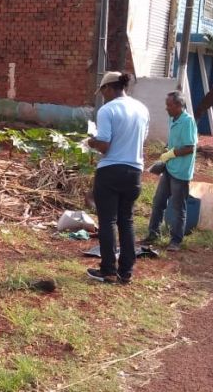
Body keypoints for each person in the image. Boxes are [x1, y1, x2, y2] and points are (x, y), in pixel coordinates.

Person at [86, 71, 150, 284]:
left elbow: (104, 145)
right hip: (134, 172)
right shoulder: (142, 109)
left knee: (108, 221)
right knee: (127, 220)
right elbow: (142, 139)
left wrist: (91, 142)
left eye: (102, 91)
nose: (102, 95)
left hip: (111, 170)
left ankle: (108, 271)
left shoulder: (107, 110)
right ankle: (126, 271)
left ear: (109, 88)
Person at [142, 91, 198, 251]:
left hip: (181, 172)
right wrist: (166, 152)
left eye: (169, 105)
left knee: (178, 207)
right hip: (170, 168)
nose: (166, 108)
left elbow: (189, 147)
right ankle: (153, 234)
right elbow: (174, 141)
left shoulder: (187, 121)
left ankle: (176, 241)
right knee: (158, 202)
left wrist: (171, 153)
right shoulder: (173, 118)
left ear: (179, 106)